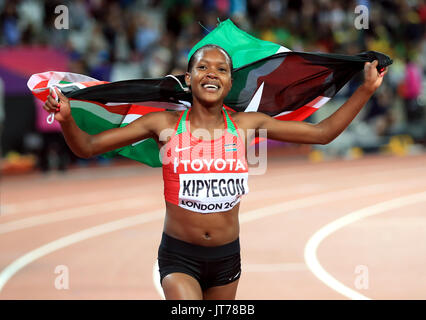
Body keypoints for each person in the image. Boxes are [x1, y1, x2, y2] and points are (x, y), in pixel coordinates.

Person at [43, 44, 387, 300]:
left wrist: (366, 90)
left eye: (221, 69)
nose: (212, 73)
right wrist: (67, 119)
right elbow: (86, 148)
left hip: (226, 259)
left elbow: (322, 134)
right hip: (180, 257)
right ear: (189, 78)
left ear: (228, 83)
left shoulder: (247, 125)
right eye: (203, 67)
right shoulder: (163, 124)